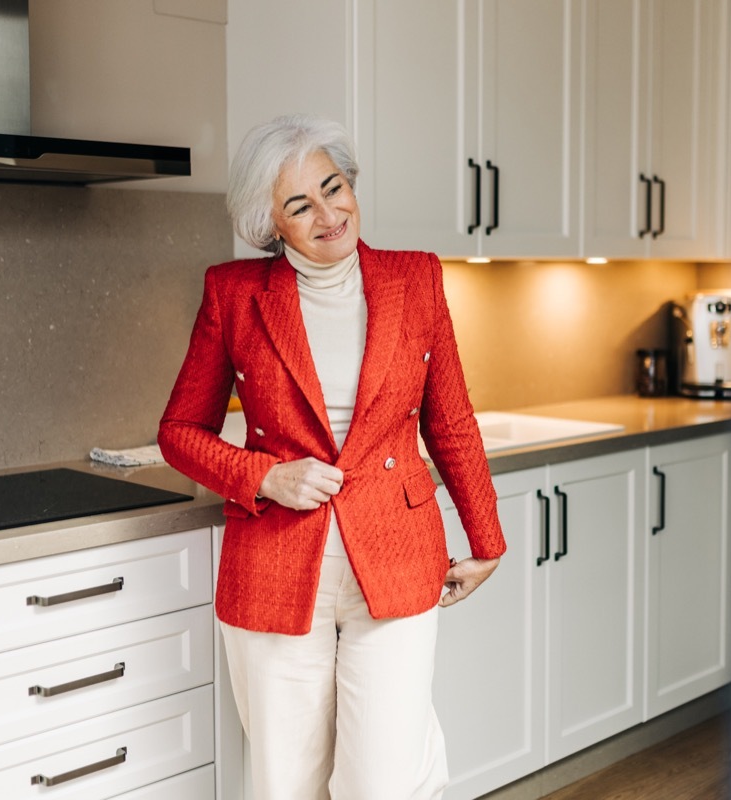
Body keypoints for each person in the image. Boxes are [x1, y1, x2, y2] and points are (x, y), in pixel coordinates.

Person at [158, 113, 506, 800]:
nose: (328, 213)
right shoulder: (233, 294)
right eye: (299, 204)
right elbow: (180, 431)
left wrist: (486, 540)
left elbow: (452, 422)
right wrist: (266, 476)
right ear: (271, 223)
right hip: (277, 566)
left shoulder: (417, 279)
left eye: (333, 187)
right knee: (288, 783)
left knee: (382, 783)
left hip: (398, 557)